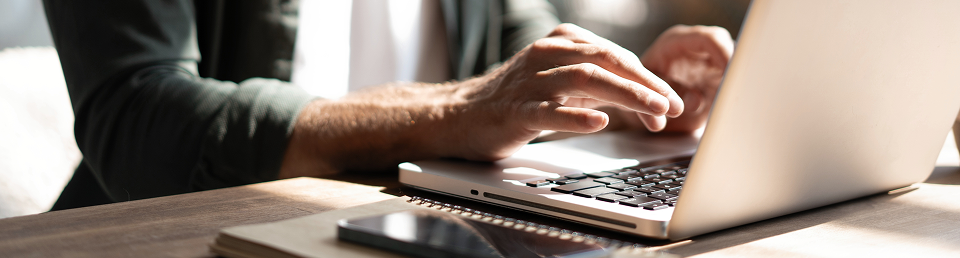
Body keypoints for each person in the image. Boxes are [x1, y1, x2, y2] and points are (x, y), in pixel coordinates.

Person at [44, 0, 733, 210]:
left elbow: (514, 32)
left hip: (421, 225)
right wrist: (451, 111)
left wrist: (621, 90)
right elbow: (136, 111)